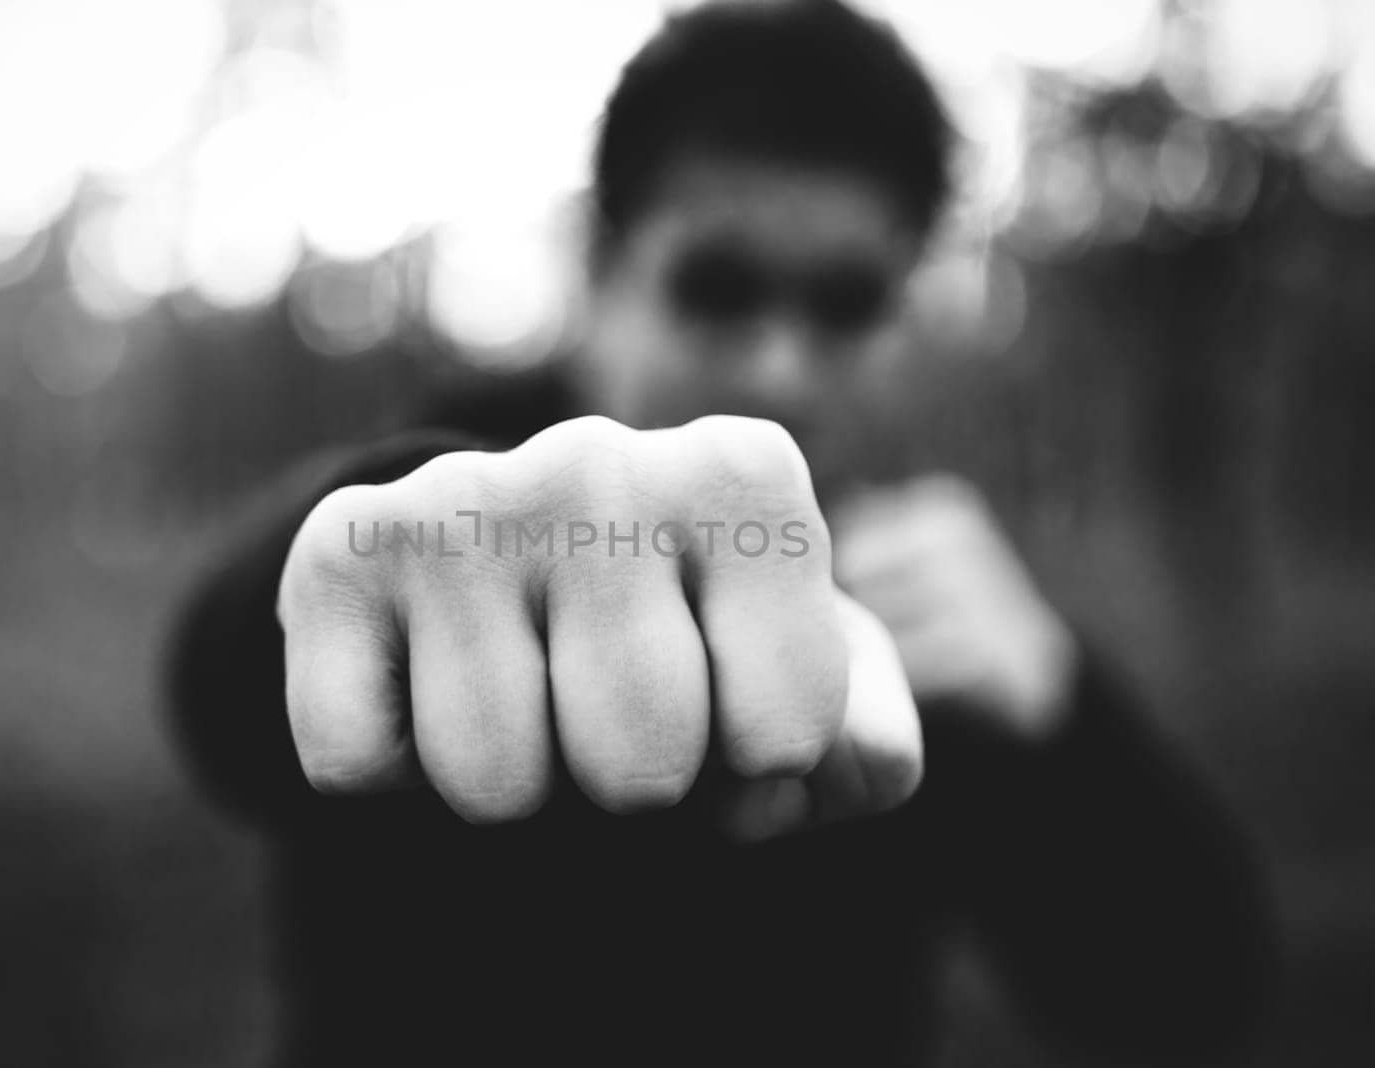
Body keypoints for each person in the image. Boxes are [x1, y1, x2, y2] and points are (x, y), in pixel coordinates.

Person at [166, 2, 1276, 1063]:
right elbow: (229, 679)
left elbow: (1185, 1004)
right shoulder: (470, 480)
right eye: (717, 286)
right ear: (600, 276)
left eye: (845, 303)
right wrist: (400, 548)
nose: (776, 366)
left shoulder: (920, 598)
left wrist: (1062, 713)